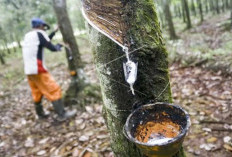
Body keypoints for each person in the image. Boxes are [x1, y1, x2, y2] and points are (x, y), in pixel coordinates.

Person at [22, 17, 76, 121]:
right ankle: (62, 114)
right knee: (53, 89)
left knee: (37, 91)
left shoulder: (29, 35)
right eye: (44, 27)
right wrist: (58, 47)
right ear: (40, 26)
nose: (44, 29)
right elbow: (51, 47)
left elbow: (44, 42)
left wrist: (54, 32)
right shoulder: (39, 33)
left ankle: (40, 114)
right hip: (38, 68)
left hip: (28, 70)